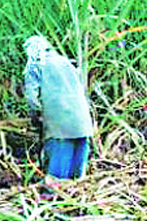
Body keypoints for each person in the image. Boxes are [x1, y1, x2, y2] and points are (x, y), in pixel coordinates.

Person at [23, 35, 95, 180]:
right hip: (82, 119)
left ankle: (55, 192)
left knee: (59, 162)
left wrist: (36, 117)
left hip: (59, 123)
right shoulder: (66, 62)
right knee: (77, 167)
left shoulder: (35, 65)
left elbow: (32, 97)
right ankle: (77, 192)